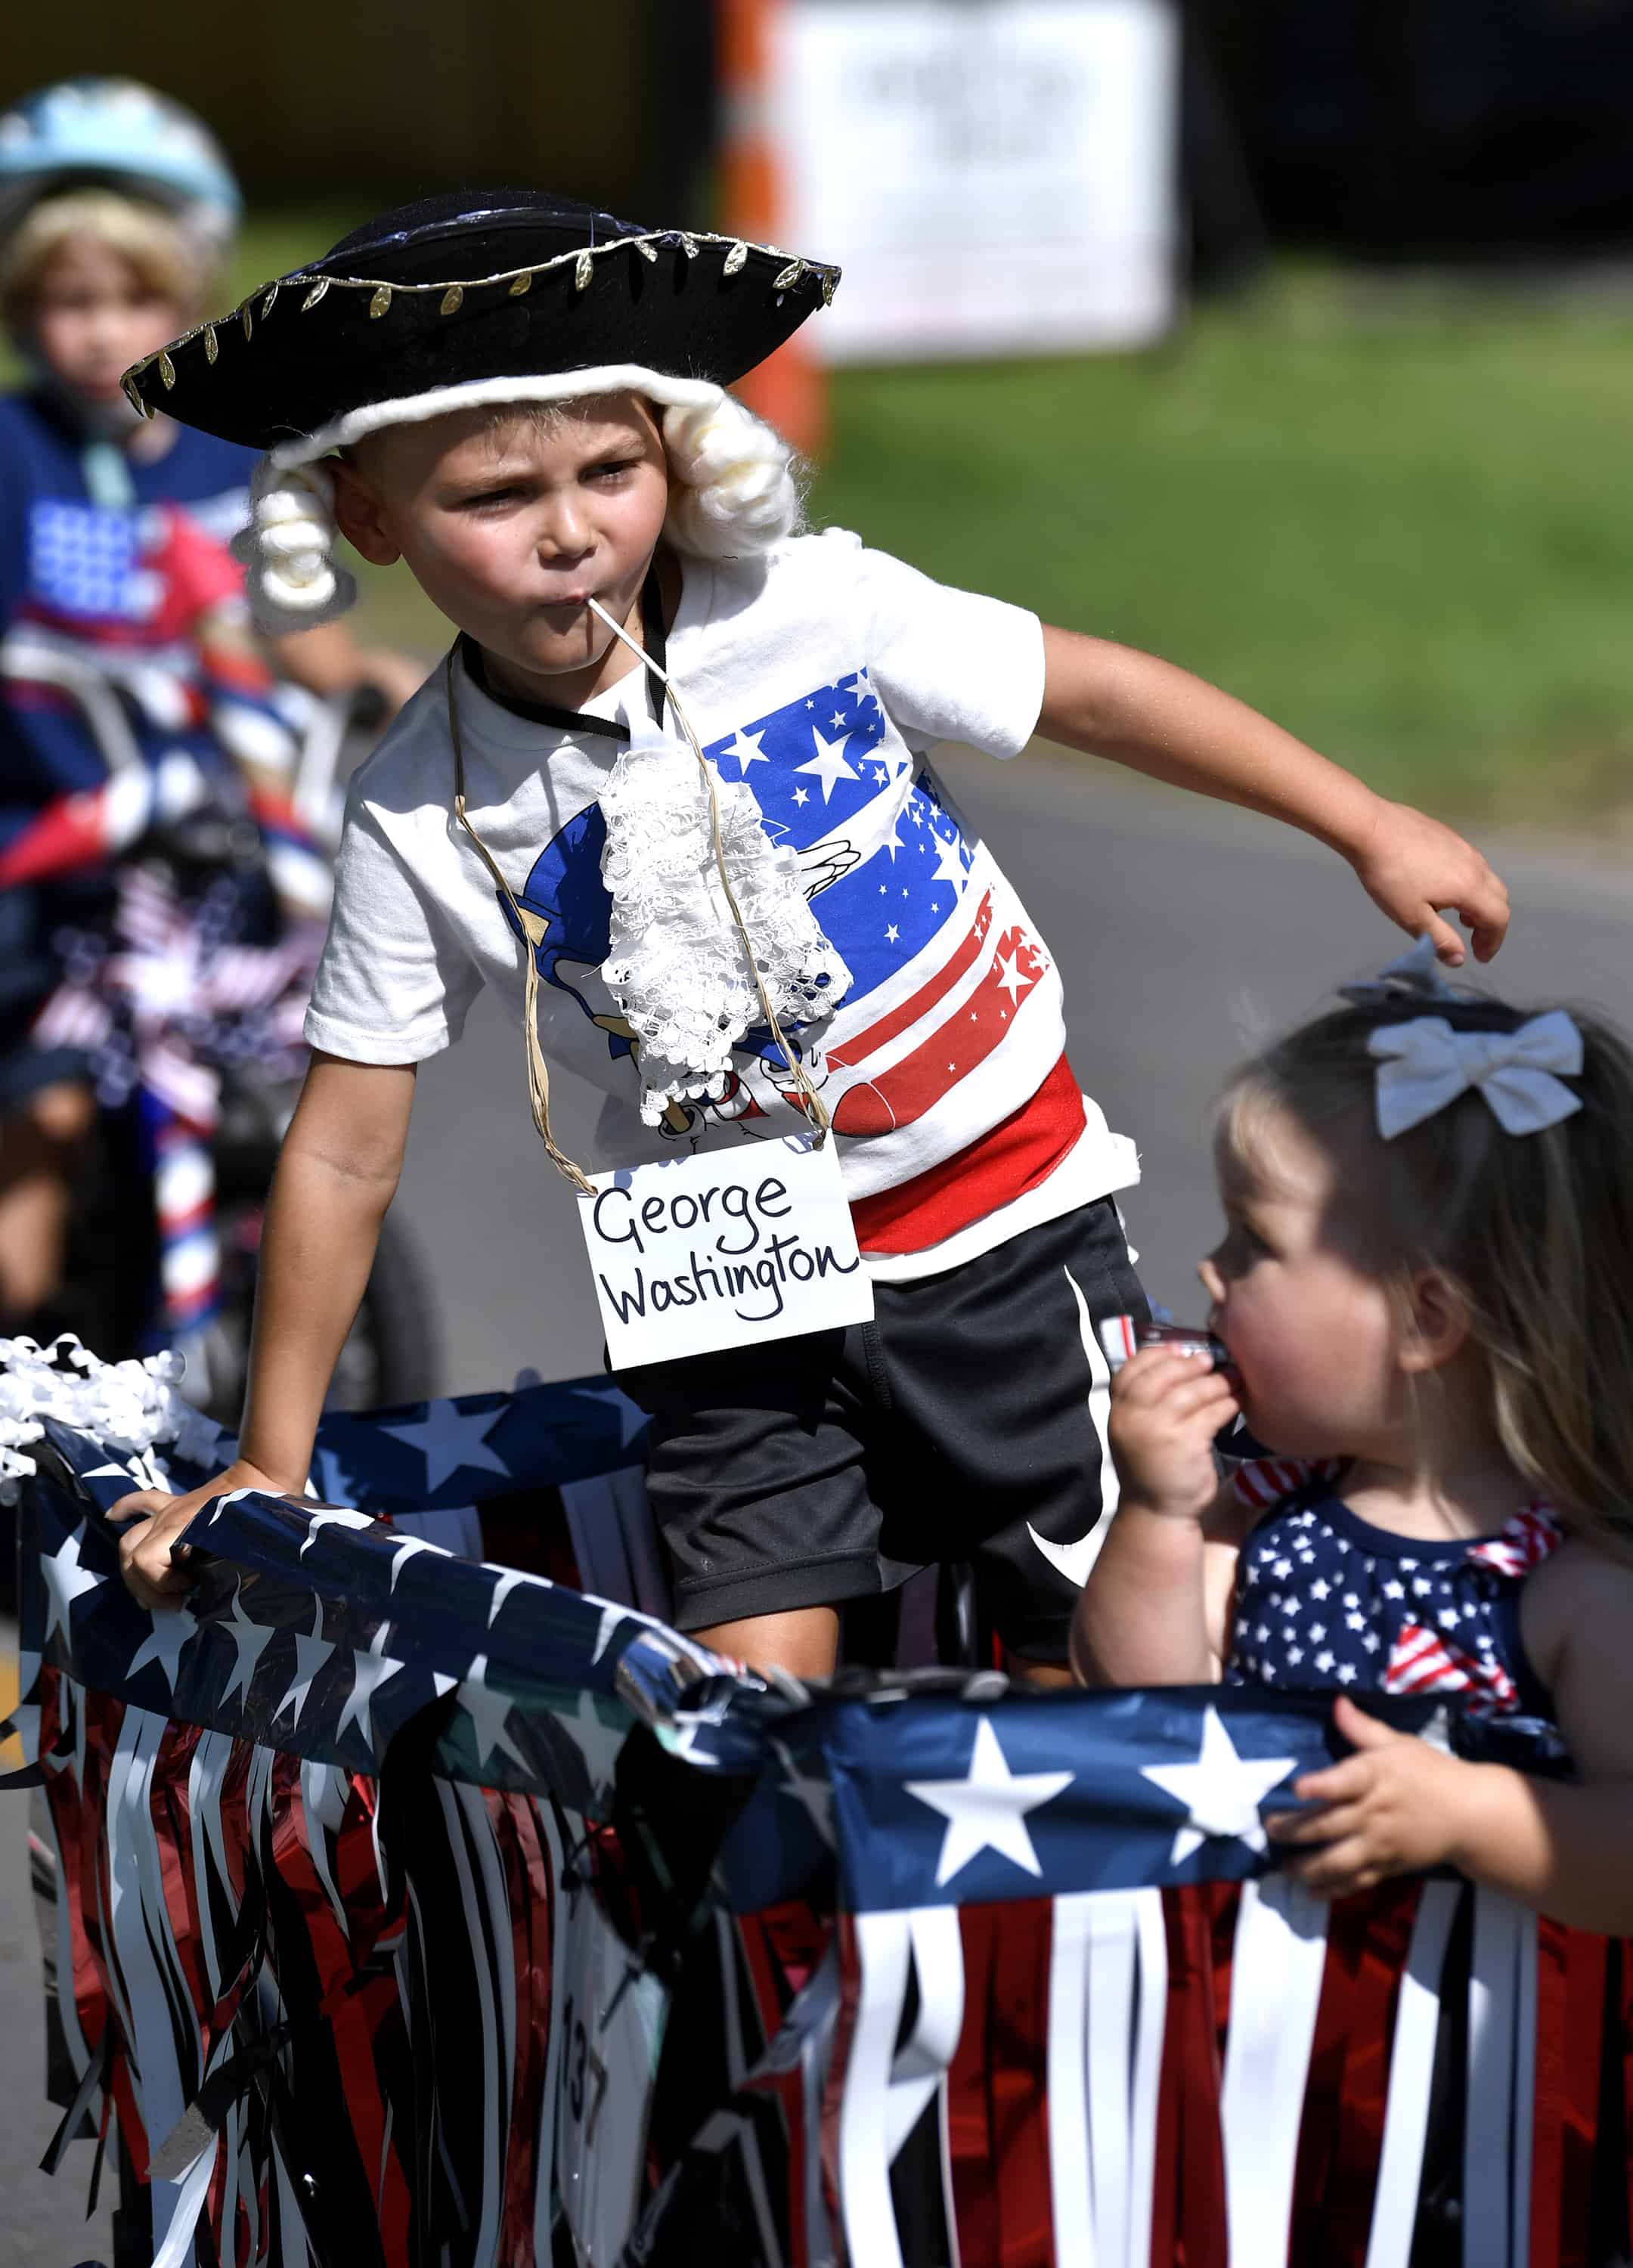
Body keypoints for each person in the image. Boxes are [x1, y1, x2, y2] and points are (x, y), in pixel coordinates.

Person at [110, 191, 1509, 1690]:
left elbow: (1086, 692)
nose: (571, 531)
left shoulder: (810, 605)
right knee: (745, 1710)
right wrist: (271, 1456)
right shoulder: (416, 806)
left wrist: (1360, 816)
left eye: (610, 469)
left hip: (1005, 1232)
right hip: (734, 1299)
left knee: (1095, 1677)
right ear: (370, 519)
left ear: (678, 451)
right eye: (495, 499)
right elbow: (341, 1145)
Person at [1072, 943, 1633, 1932]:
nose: (1209, 1270)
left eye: (1255, 1244)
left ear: (1425, 1320)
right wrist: (1159, 1511)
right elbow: (1138, 1706)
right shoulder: (1264, 1514)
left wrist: (1476, 1812)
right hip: (1267, 2037)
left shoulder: (1568, 1587)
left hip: (1465, 2059)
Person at [0, 78, 423, 1331]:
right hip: (53, 849)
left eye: (133, 300)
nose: (100, 332)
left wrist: (381, 687)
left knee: (301, 1082)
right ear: (26, 312)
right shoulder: (14, 451)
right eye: (69, 302)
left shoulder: (225, 455)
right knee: (48, 1123)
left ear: (184, 303)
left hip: (216, 847)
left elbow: (303, 639)